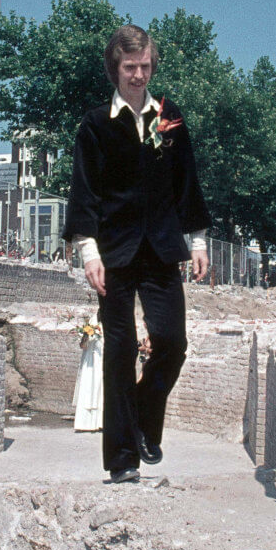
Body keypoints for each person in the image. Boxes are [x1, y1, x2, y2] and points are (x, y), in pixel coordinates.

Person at [62, 24, 211, 484]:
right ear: (115, 68)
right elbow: (84, 193)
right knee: (120, 351)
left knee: (172, 343)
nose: (139, 75)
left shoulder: (169, 117)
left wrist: (199, 240)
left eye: (145, 66)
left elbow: (187, 181)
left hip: (163, 247)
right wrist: (88, 252)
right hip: (114, 253)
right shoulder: (95, 123)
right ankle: (123, 458)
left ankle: (146, 416)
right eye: (130, 67)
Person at [71, 316, 103, 432]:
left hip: (103, 358)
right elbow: (83, 345)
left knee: (101, 388)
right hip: (90, 360)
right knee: (88, 387)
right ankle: (85, 423)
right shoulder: (93, 319)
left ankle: (101, 422)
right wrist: (85, 334)